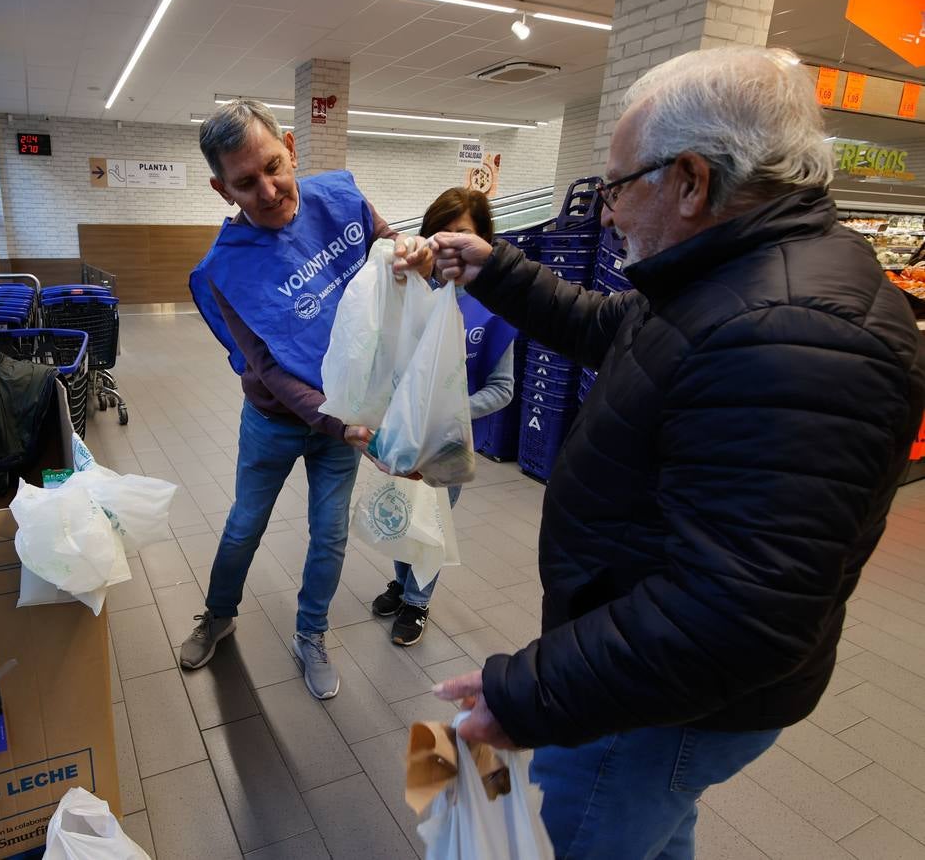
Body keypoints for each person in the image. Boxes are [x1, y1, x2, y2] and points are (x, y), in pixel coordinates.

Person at [420, 45, 925, 858]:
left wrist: (530, 692)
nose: (609, 212)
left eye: (620, 186)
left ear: (690, 180)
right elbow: (613, 329)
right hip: (652, 680)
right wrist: (496, 269)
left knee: (591, 835)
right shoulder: (735, 276)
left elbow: (736, 615)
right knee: (655, 833)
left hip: (660, 708)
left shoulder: (791, 330)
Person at [181, 99, 433, 700]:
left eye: (274, 166)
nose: (268, 191)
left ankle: (311, 634)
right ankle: (218, 614)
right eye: (246, 182)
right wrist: (336, 420)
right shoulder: (227, 270)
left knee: (329, 534)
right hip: (276, 421)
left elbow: (389, 249)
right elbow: (265, 367)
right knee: (245, 525)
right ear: (223, 190)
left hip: (348, 411)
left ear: (290, 148)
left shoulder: (341, 201)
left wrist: (414, 252)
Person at [371, 187, 516, 646]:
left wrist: (448, 411)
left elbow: (503, 390)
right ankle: (401, 582)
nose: (450, 242)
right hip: (400, 435)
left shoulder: (495, 309)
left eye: (463, 234)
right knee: (400, 514)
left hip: (448, 442)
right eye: (442, 232)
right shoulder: (415, 294)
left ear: (482, 240)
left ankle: (417, 602)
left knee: (431, 523)